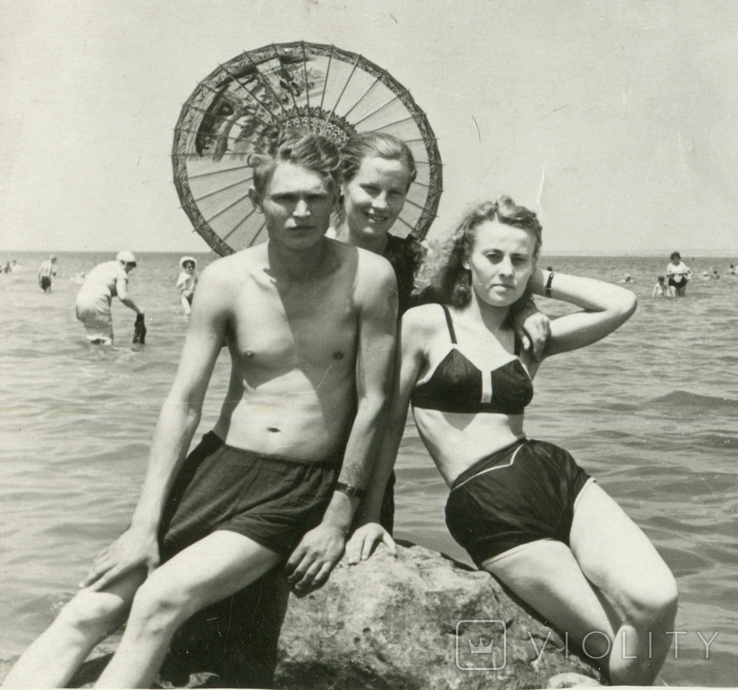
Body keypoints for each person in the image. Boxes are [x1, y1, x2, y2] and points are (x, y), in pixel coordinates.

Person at [2, 132, 397, 689]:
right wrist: (143, 527)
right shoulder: (224, 280)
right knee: (88, 609)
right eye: (285, 198)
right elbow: (183, 403)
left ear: (336, 199)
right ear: (259, 199)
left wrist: (340, 515)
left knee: (159, 601)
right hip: (218, 469)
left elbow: (377, 401)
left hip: (300, 484)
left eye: (316, 196)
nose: (301, 211)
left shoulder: (370, 277)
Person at [347, 197, 678, 685]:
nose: (506, 270)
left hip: (555, 475)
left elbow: (621, 303)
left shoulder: (531, 335)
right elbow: (388, 425)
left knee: (658, 601)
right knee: (609, 645)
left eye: (519, 259)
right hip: (489, 504)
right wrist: (369, 517)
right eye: (493, 256)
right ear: (465, 257)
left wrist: (534, 288)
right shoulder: (425, 323)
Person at [331, 132, 549, 534]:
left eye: (395, 193)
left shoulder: (412, 263)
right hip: (310, 428)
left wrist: (525, 307)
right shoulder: (307, 256)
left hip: (370, 446)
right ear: (340, 184)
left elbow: (479, 292)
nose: (381, 204)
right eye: (370, 188)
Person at [74, 251, 144, 345]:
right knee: (107, 340)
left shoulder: (101, 266)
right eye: (129, 270)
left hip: (81, 300)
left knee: (95, 339)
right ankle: (106, 359)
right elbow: (122, 296)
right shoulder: (121, 272)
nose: (127, 272)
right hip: (97, 302)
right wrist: (138, 310)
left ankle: (93, 359)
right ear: (125, 264)